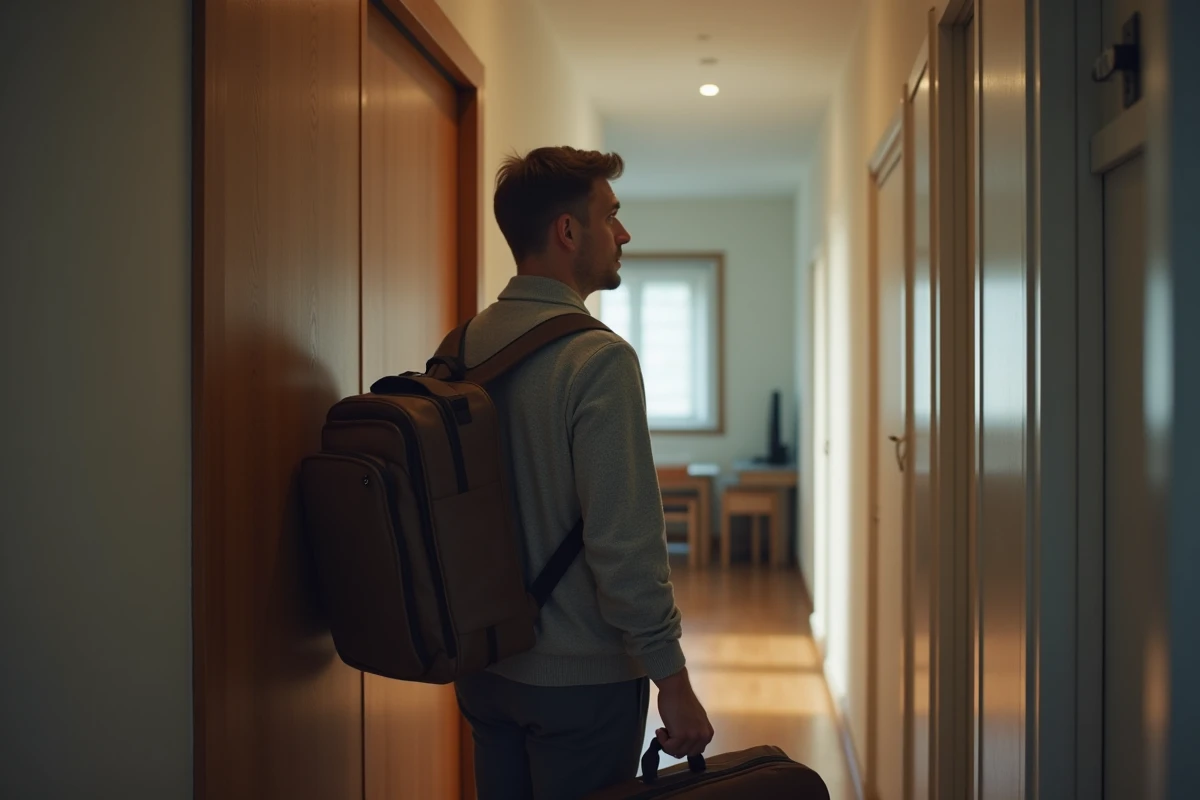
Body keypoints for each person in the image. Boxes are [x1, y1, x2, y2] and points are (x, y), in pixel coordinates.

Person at [453, 146, 714, 799]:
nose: (623, 234)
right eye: (611, 216)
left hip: (483, 671)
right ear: (568, 231)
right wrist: (673, 679)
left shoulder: (459, 349)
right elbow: (624, 545)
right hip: (580, 684)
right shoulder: (597, 360)